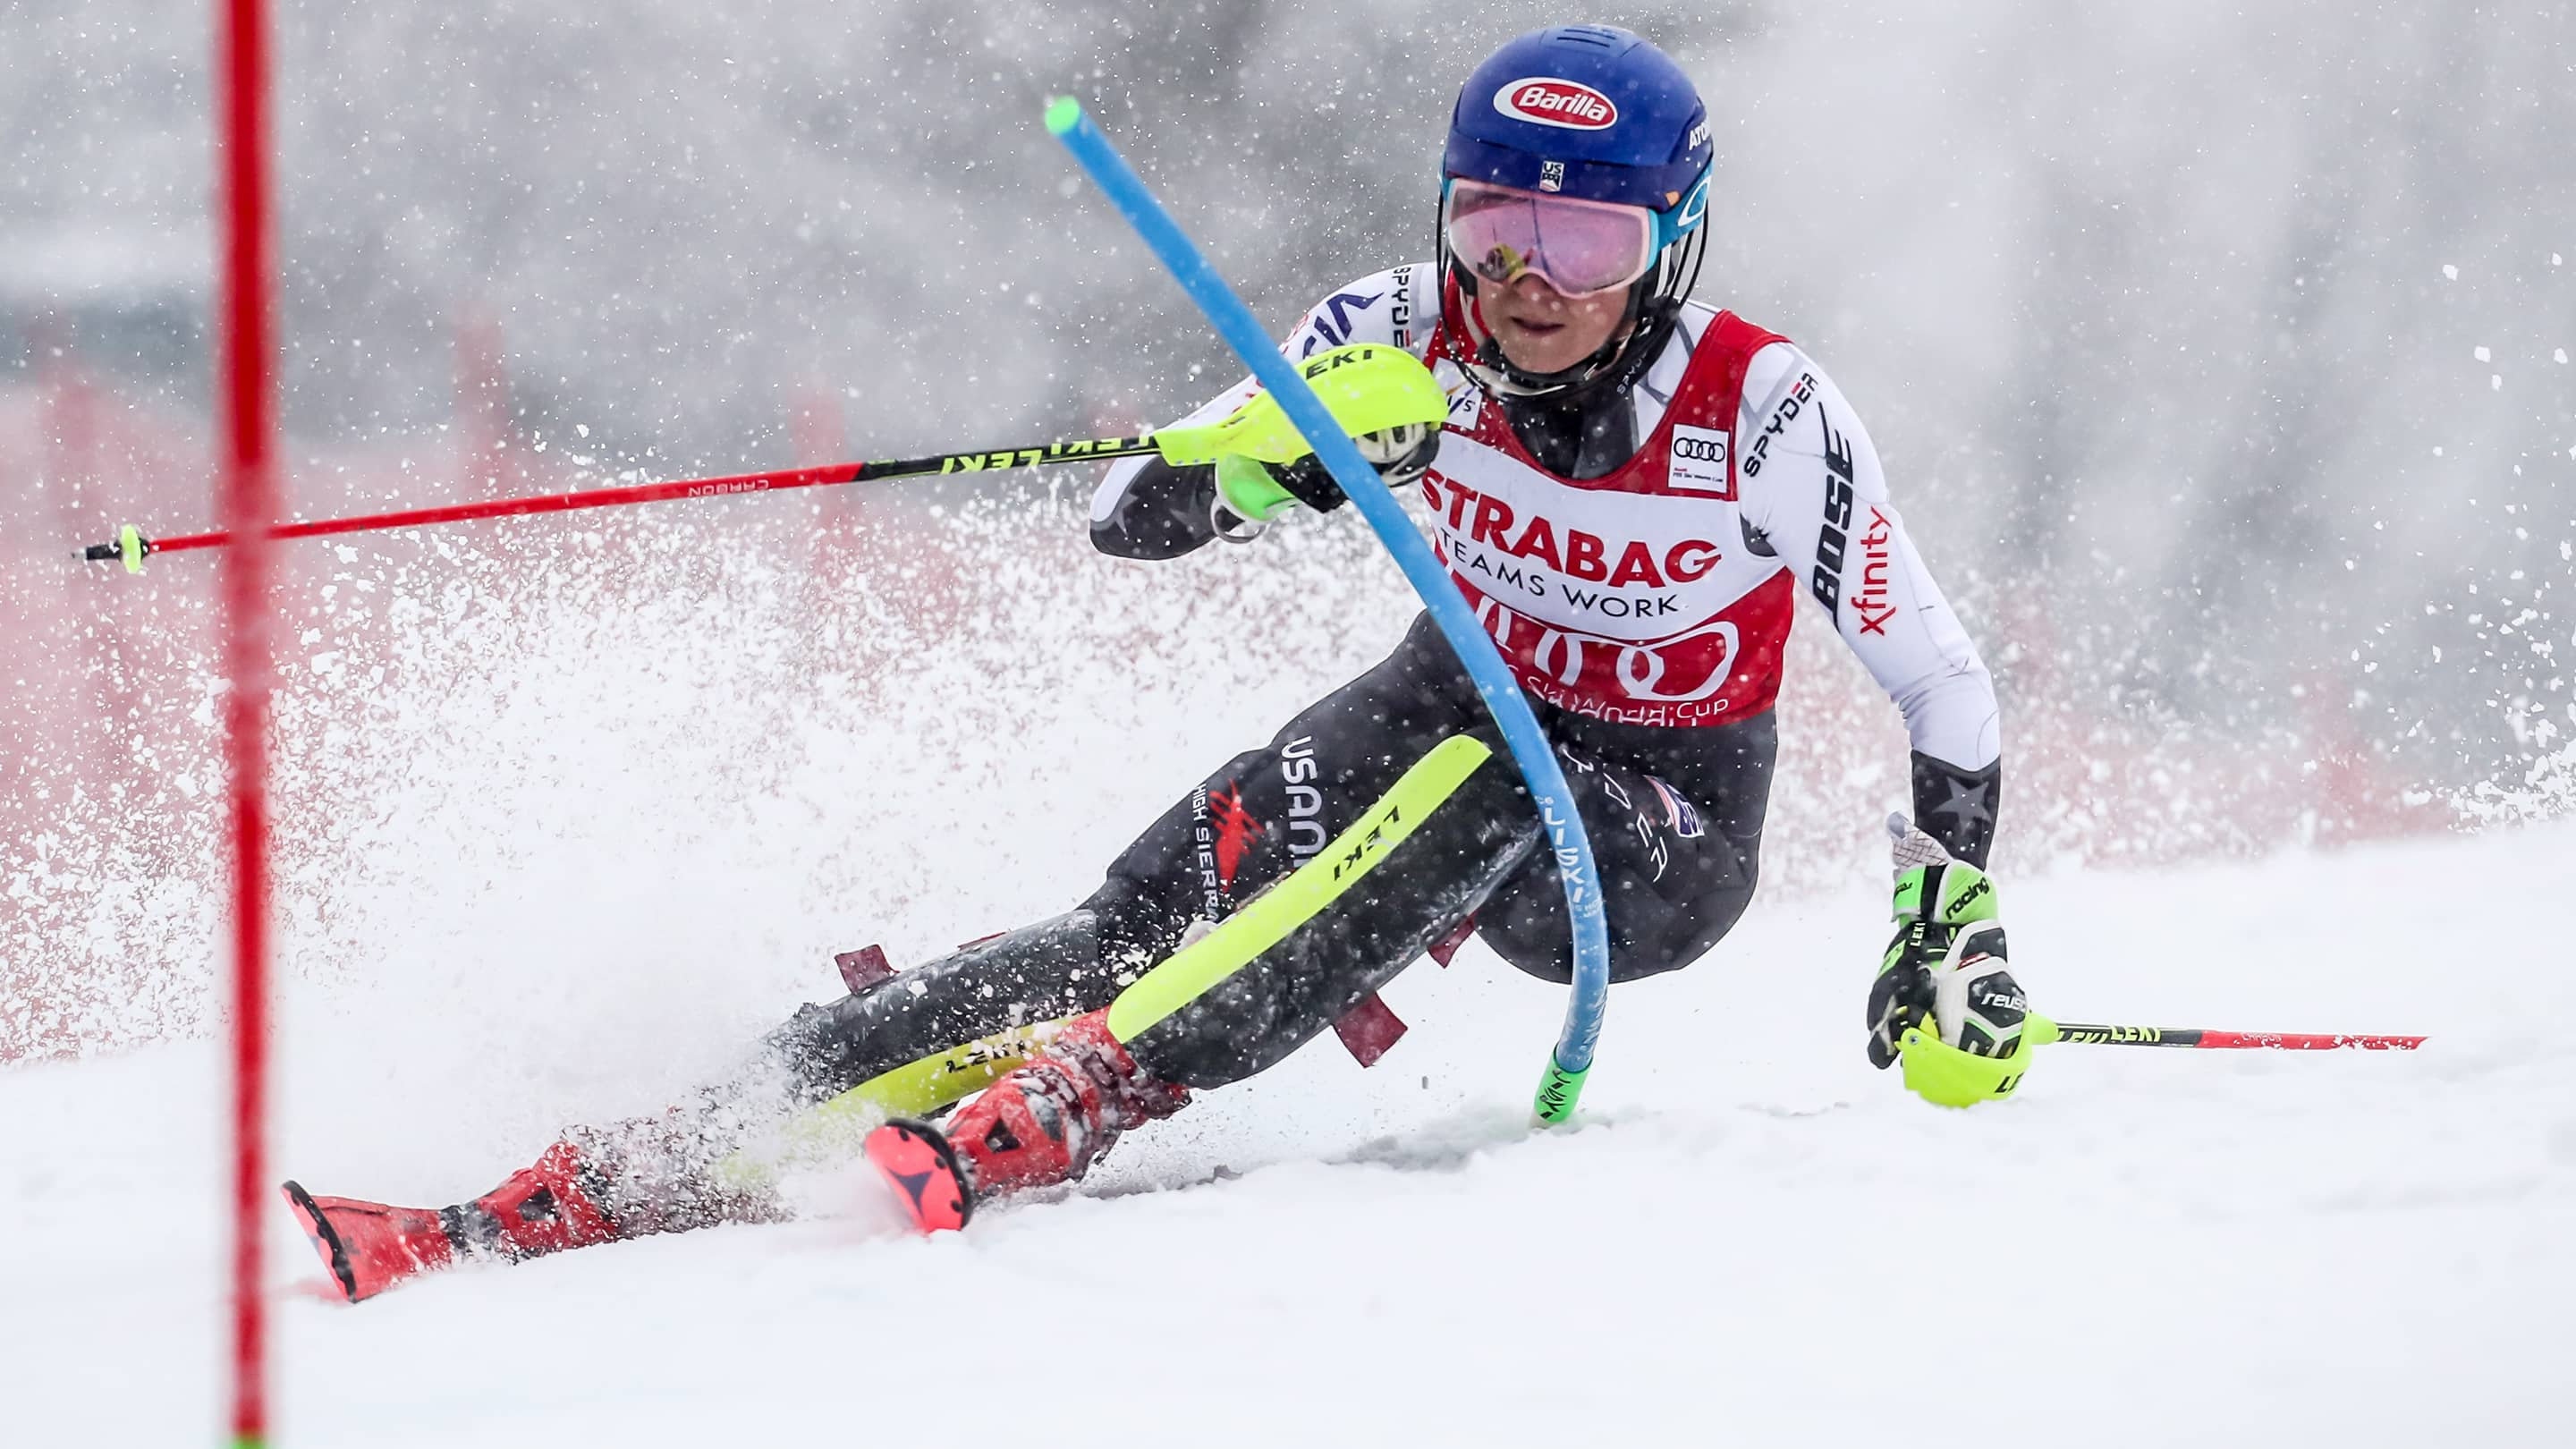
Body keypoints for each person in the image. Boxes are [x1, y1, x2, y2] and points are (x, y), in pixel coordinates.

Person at [282, 22, 2027, 1302]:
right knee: (1113, 927)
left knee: (1496, 767)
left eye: (1587, 243)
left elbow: (1940, 680)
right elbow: (1129, 508)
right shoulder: (1392, 333)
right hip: (1444, 710)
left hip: (1650, 832)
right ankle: (601, 1172)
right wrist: (1279, 458)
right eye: (1496, 225)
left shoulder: (1763, 412)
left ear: (1673, 243)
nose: (1529, 281)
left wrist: (1948, 924)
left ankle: (1099, 1083)